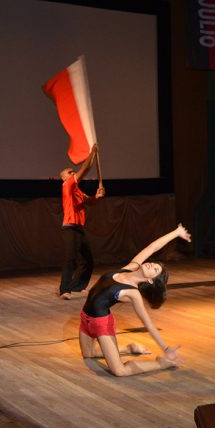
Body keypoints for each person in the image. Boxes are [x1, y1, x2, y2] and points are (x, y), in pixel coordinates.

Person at [78, 224, 191, 376]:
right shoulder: (129, 268)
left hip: (101, 324)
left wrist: (165, 349)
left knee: (119, 371)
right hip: (85, 318)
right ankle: (129, 348)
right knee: (89, 354)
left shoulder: (133, 292)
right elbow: (152, 247)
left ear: (150, 280)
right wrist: (176, 232)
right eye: (155, 264)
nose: (152, 265)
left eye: (155, 270)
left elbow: (148, 323)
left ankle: (162, 364)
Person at [58, 144, 105, 300]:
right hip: (69, 227)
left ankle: (78, 287)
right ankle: (64, 289)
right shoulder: (67, 186)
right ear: (64, 178)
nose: (72, 172)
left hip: (78, 228)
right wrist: (91, 154)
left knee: (88, 260)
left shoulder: (77, 190)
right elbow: (84, 170)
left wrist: (96, 197)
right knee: (70, 258)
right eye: (69, 172)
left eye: (72, 171)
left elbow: (89, 202)